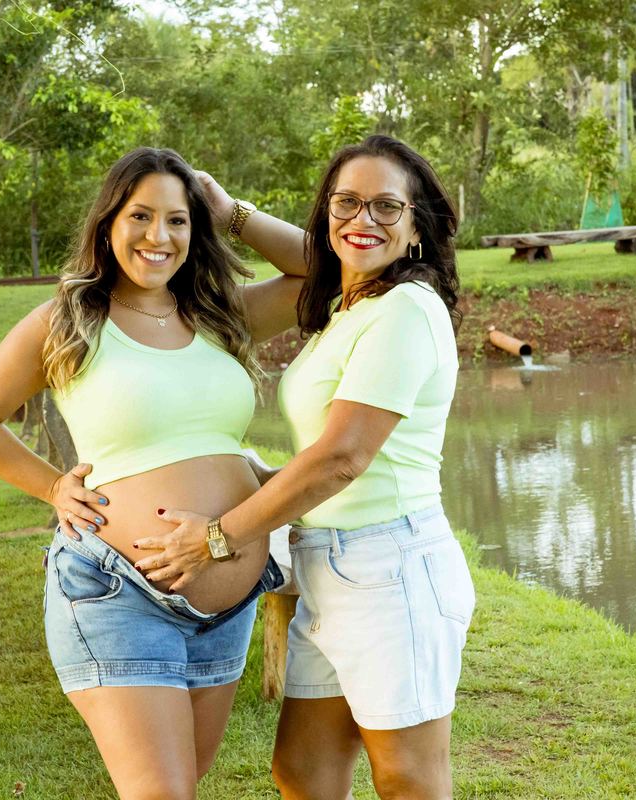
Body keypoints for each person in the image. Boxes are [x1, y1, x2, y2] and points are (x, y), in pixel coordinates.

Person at [0, 146, 307, 799]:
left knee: (182, 780)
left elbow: (326, 275)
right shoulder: (71, 318)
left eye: (177, 220)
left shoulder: (219, 315)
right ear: (108, 223)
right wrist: (51, 485)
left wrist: (234, 213)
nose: (158, 236)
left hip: (226, 608)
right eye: (140, 216)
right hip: (119, 592)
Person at [133, 135, 473, 800]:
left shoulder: (407, 310)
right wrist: (229, 212)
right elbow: (316, 258)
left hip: (390, 570)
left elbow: (343, 457)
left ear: (417, 228)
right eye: (346, 203)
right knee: (303, 772)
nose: (363, 220)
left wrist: (216, 537)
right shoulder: (348, 305)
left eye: (386, 207)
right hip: (328, 562)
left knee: (407, 778)